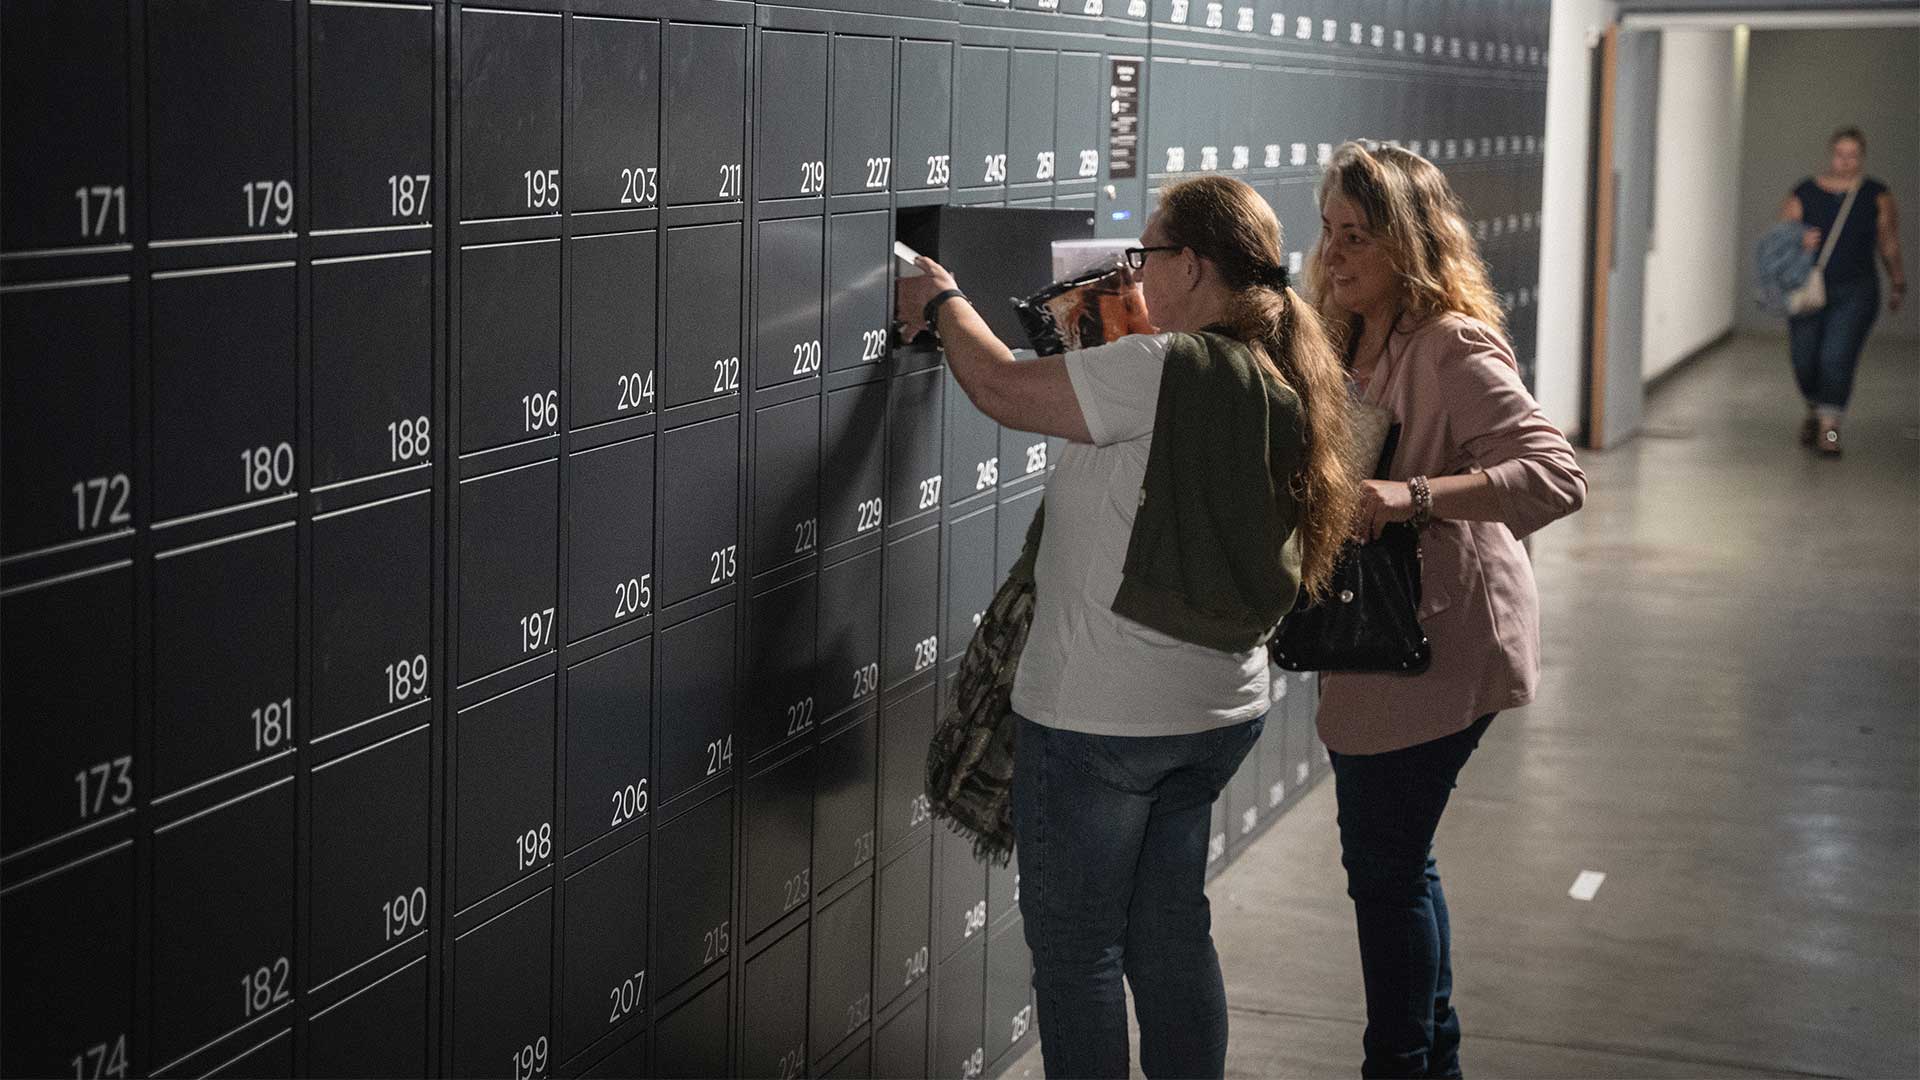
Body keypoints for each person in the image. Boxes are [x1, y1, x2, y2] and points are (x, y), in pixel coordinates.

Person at [896, 175, 1359, 1079]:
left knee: (1078, 957)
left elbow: (998, 386)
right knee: (1169, 931)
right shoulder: (1273, 374)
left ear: (1192, 265)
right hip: (1217, 712)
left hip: (1103, 717)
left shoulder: (1161, 371)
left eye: (1147, 256)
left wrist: (941, 299)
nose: (1136, 273)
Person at [1307, 141, 1587, 1079]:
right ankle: (1435, 1060)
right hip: (1378, 636)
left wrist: (1411, 497)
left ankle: (1400, 1060)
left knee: (1383, 867)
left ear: (1410, 245)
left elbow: (1555, 476)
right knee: (1396, 861)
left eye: (1358, 237)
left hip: (1441, 636)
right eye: (1328, 232)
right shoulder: (1346, 333)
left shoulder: (1449, 343)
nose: (1334, 255)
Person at [1779, 126, 1906, 454]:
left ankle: (1829, 431)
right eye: (1840, 155)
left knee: (1837, 356)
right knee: (1804, 358)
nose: (1845, 162)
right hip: (1808, 288)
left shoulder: (1876, 194)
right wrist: (1797, 240)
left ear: (1861, 157)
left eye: (1853, 156)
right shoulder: (1805, 192)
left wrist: (1897, 281)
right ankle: (1814, 408)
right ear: (1830, 153)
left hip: (1856, 290)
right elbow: (1779, 240)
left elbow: (1888, 241)